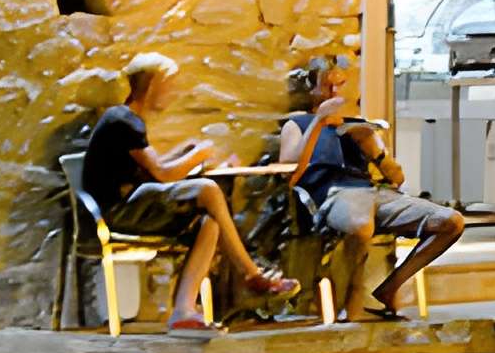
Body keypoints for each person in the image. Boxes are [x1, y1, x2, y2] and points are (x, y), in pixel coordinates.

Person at [79, 51, 293, 333]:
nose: (173, 93)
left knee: (210, 222)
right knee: (208, 190)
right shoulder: (124, 120)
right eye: (169, 86)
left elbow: (154, 165)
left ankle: (183, 311)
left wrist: (188, 152)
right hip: (116, 213)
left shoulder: (127, 121)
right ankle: (251, 274)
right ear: (154, 85)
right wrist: (199, 153)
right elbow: (163, 174)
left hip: (135, 207)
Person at [288, 53, 464, 320]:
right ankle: (352, 302)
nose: (334, 92)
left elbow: (397, 177)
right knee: (361, 224)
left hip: (376, 193)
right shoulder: (297, 124)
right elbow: (290, 173)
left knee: (451, 221)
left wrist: (373, 147)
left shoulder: (356, 125)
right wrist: (317, 123)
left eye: (339, 84)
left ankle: (390, 287)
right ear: (312, 88)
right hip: (335, 195)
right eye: (327, 85)